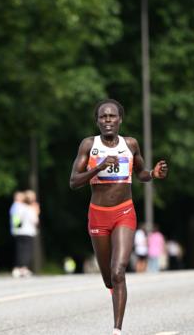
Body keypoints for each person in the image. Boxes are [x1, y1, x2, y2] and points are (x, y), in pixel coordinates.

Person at [70, 99, 169, 335]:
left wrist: (153, 174)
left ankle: (117, 330)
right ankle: (113, 289)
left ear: (120, 119)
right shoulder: (88, 145)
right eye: (103, 117)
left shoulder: (131, 144)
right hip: (98, 215)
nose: (108, 121)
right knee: (108, 279)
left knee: (118, 272)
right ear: (97, 121)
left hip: (124, 212)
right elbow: (74, 181)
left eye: (112, 116)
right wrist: (98, 167)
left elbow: (141, 173)